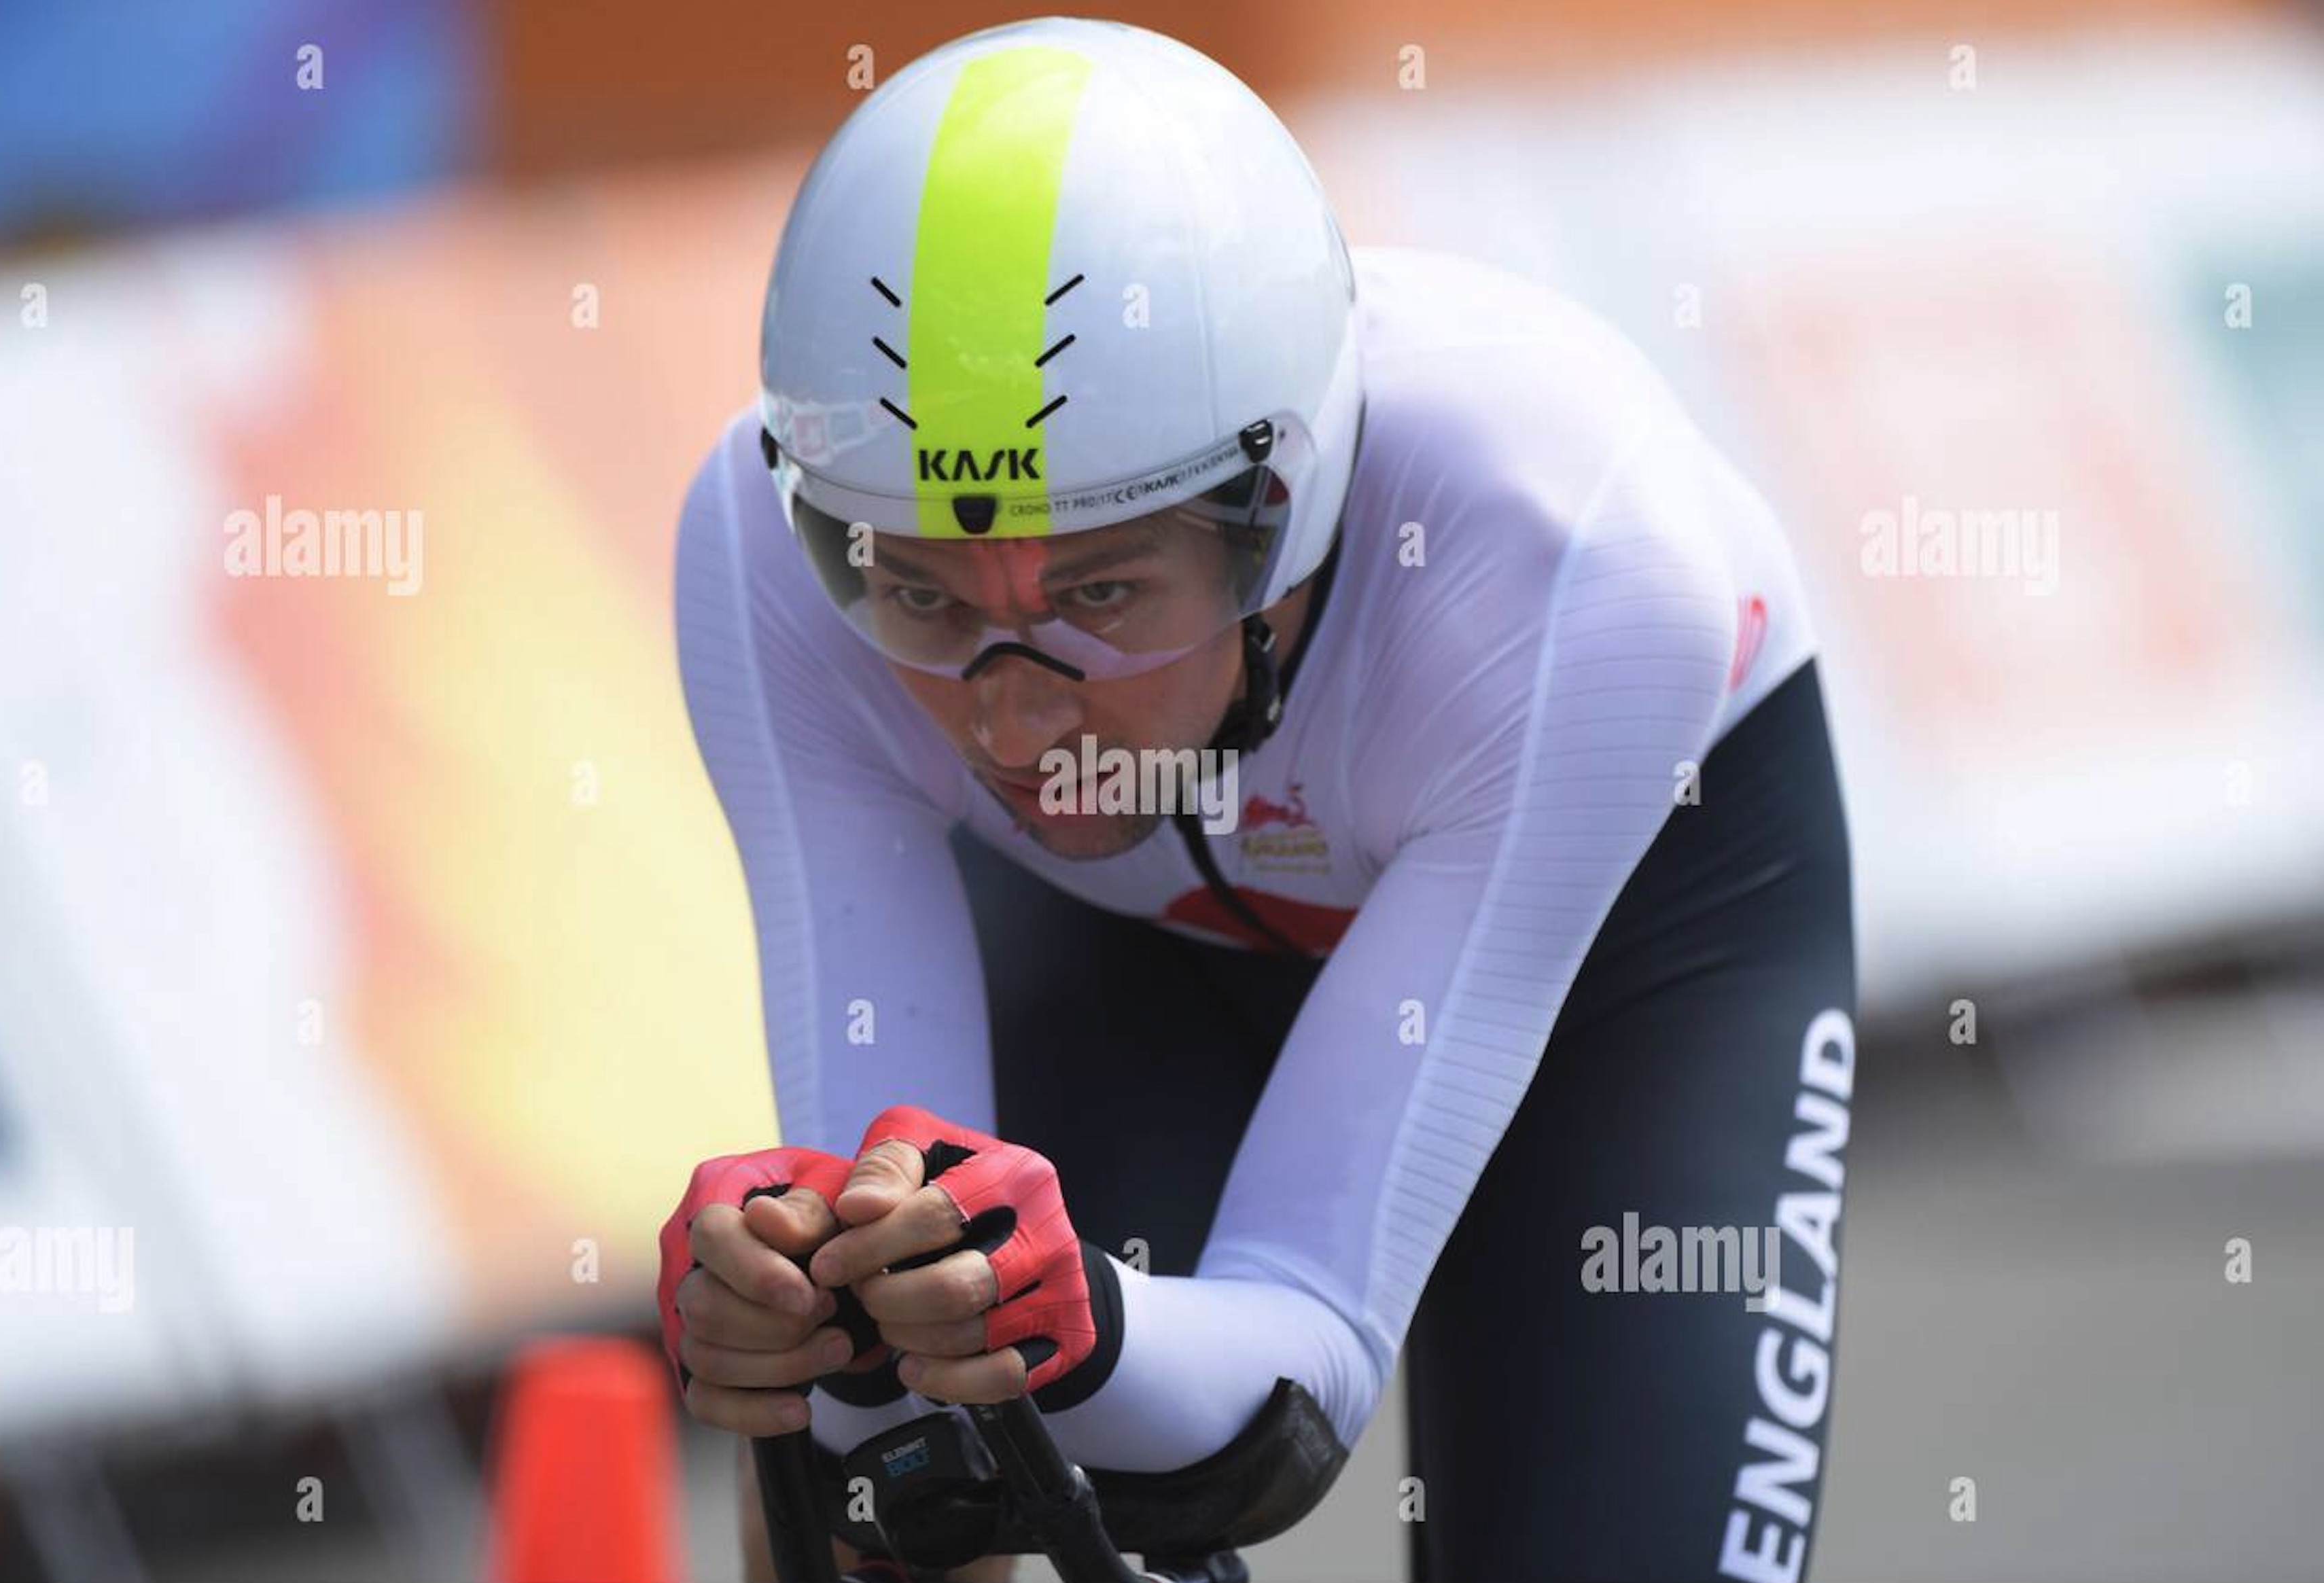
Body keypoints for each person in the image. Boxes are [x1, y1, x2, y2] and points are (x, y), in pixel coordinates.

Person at [658, 17, 1856, 1582]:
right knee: (891, 1478)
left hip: (1636, 944)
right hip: (1123, 945)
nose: (1015, 717)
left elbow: (1304, 1361)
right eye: (921, 598)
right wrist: (806, 1312)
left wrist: (1072, 1328)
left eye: (1100, 587)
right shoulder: (761, 556)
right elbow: (881, 1408)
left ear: (1273, 521)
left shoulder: (1580, 566)